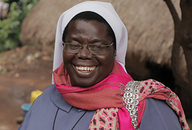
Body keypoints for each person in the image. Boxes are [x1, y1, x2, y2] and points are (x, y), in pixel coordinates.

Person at [18, 1, 189, 130]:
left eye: (98, 46)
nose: (84, 54)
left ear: (114, 51)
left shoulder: (145, 107)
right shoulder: (45, 100)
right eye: (74, 44)